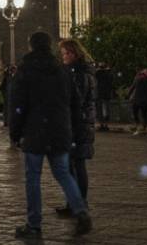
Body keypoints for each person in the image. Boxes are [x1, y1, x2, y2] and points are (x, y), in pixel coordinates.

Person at [8, 31, 92, 240]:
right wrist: (72, 128)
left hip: (35, 130)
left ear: (31, 46)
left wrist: (15, 132)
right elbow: (74, 102)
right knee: (63, 172)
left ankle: (34, 224)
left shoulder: (26, 70)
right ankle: (81, 211)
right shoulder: (62, 70)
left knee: (33, 178)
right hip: (60, 130)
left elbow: (17, 104)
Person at [57, 39, 96, 217]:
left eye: (65, 53)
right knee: (72, 165)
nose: (63, 57)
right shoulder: (77, 71)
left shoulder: (79, 73)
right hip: (77, 122)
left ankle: (79, 203)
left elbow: (76, 100)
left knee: (77, 165)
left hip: (78, 124)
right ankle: (74, 202)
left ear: (73, 54)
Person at [129, 68, 147, 134]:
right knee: (143, 114)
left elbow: (133, 87)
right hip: (142, 99)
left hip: (138, 98)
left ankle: (139, 126)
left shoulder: (139, 78)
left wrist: (129, 94)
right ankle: (142, 127)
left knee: (137, 113)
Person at [94, 63, 115, 132]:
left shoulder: (98, 73)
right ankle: (106, 125)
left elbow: (94, 73)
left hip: (100, 94)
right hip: (107, 94)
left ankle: (102, 125)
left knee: (100, 110)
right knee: (106, 110)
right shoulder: (109, 74)